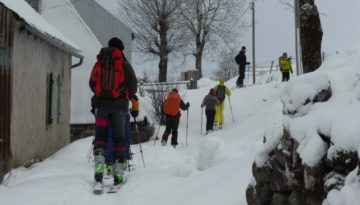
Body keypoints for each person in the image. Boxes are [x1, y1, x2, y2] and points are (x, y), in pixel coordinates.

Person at [89, 37, 137, 186]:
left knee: (101, 137)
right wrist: (124, 94)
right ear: (120, 49)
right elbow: (133, 86)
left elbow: (91, 83)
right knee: (119, 139)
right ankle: (118, 174)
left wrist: (102, 95)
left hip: (101, 107)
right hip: (120, 108)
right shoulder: (124, 64)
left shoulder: (100, 63)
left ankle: (99, 167)